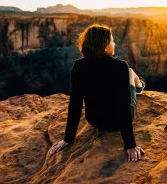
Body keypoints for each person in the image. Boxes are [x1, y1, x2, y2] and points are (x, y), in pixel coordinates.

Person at [48, 24, 146, 161]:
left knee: (127, 74)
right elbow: (124, 108)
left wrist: (68, 139)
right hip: (116, 123)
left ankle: (139, 84)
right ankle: (140, 86)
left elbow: (75, 105)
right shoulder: (120, 67)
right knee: (130, 73)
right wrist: (130, 145)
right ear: (105, 46)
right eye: (112, 41)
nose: (114, 43)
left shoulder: (78, 66)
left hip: (95, 120)